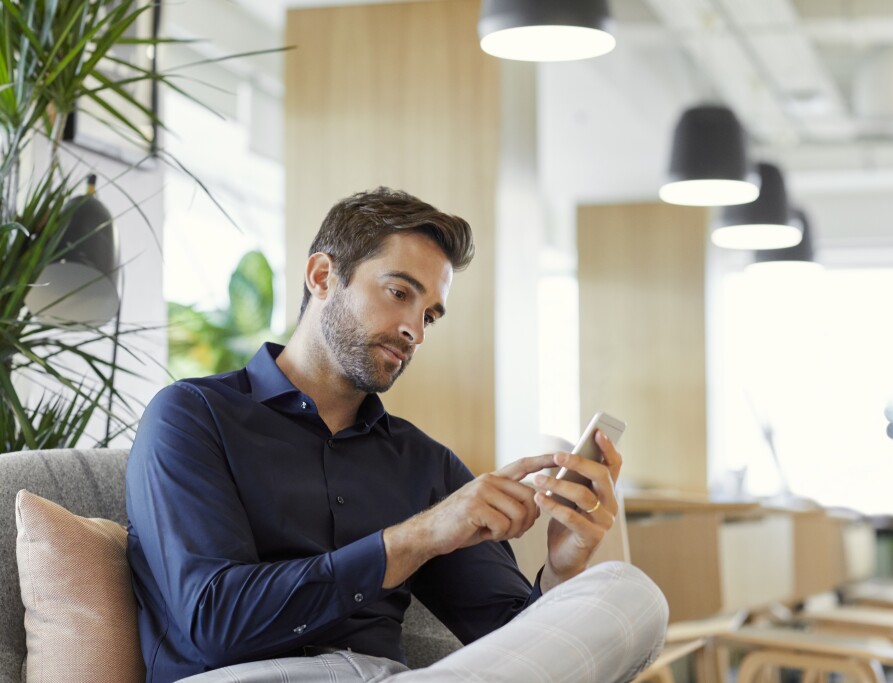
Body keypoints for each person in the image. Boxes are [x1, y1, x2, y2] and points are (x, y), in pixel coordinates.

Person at [126, 188, 668, 683]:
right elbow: (214, 619)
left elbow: (515, 648)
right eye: (398, 293)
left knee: (629, 593)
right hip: (247, 678)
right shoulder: (193, 416)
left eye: (430, 313)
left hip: (386, 679)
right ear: (322, 277)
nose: (416, 330)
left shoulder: (425, 464)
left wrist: (561, 570)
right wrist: (418, 537)